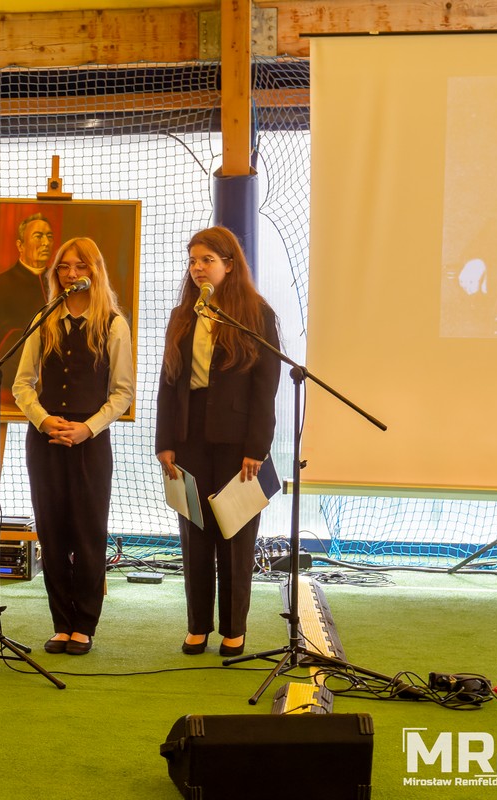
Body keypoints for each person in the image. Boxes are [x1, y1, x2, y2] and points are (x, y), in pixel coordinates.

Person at [155, 226, 281, 658]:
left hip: (237, 444)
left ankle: (234, 629)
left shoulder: (257, 314)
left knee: (235, 536)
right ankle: (197, 627)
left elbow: (265, 388)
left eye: (207, 260)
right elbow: (169, 381)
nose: (197, 268)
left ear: (229, 264)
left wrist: (256, 449)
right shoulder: (182, 315)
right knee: (195, 535)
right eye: (193, 261)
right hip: (188, 440)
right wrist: (165, 441)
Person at [12, 237, 135, 655]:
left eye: (80, 266)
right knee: (52, 532)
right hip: (44, 440)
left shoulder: (113, 324)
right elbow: (22, 384)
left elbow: (122, 392)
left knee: (87, 532)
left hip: (89, 443)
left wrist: (88, 428)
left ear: (94, 271)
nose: (71, 274)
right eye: (64, 267)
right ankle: (60, 624)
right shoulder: (44, 319)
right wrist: (43, 419)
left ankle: (84, 624)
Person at [0, 213, 54, 390]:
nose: (46, 243)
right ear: (20, 245)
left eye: (49, 237)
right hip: (15, 366)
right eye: (38, 236)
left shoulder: (58, 282)